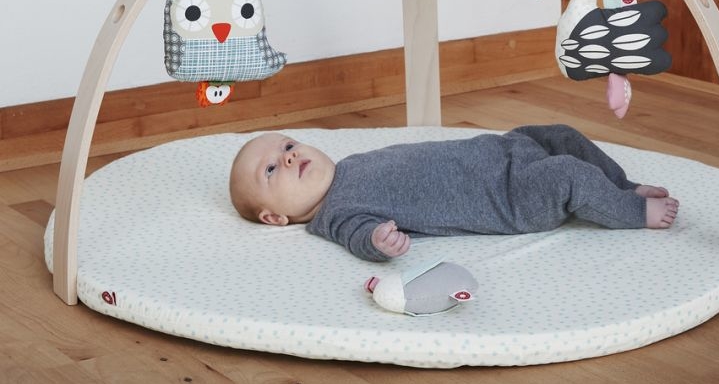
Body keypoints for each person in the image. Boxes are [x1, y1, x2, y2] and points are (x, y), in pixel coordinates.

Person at [229, 125, 679, 262]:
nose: (288, 156)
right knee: (566, 174)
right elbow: (359, 237)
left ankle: (620, 184)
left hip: (505, 148)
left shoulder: (348, 166)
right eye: (272, 169)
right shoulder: (336, 214)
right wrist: (378, 242)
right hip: (510, 197)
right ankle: (632, 210)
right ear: (274, 217)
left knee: (561, 135)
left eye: (288, 146)